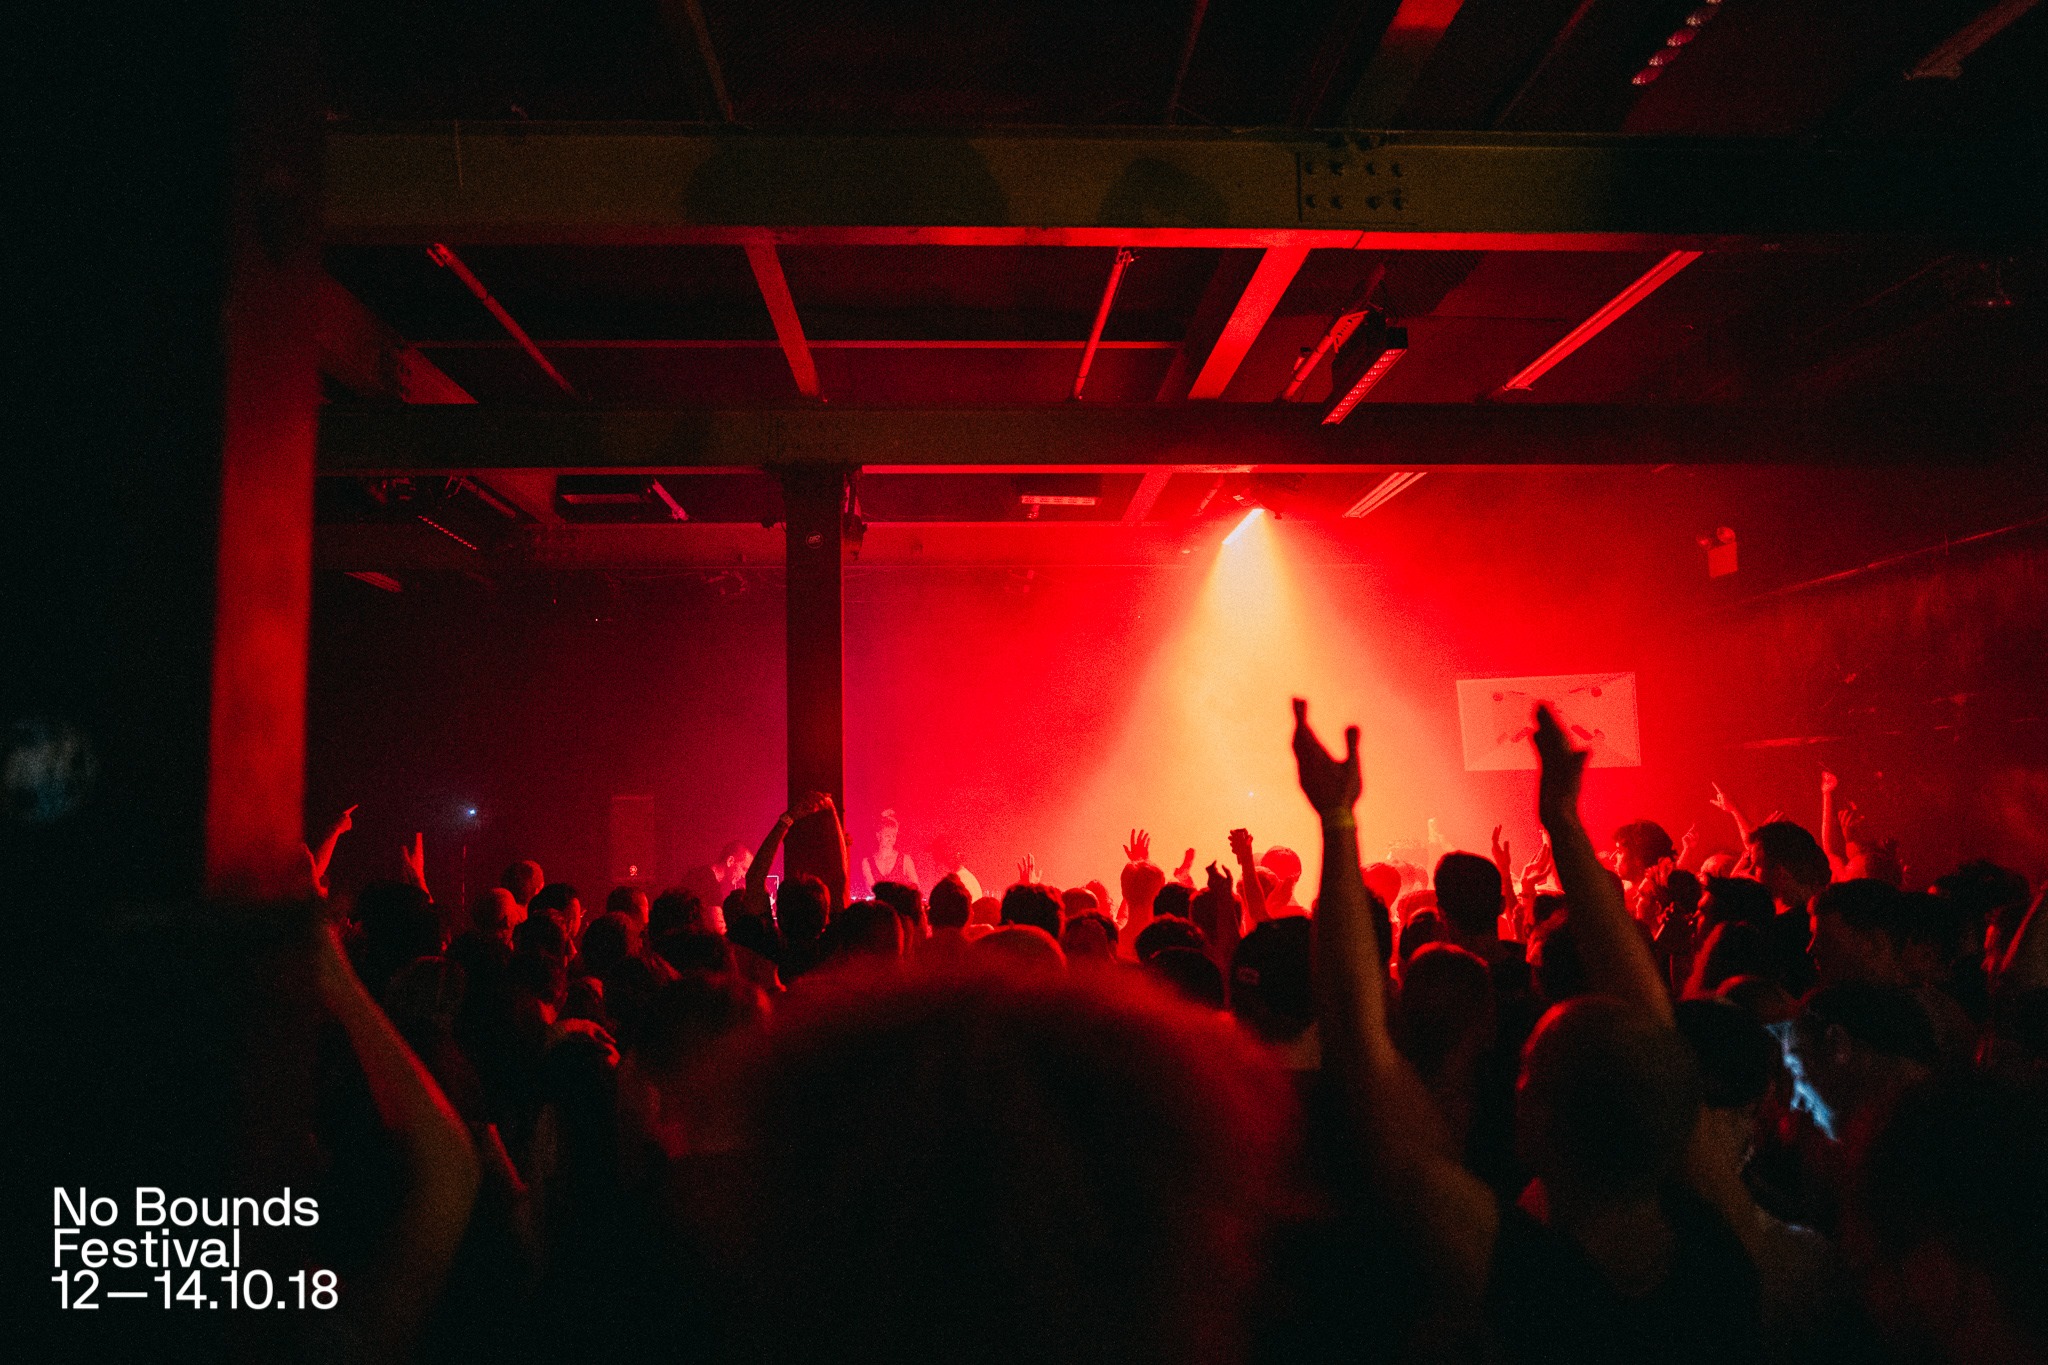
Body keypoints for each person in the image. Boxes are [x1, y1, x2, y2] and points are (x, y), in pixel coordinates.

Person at [1294, 696, 1761, 1363]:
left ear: (1536, 1120)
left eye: (1527, 1072)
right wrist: (1564, 823)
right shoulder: (1722, 1245)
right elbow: (1651, 1013)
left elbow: (1361, 1045)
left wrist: (1337, 819)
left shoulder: (1534, 1284)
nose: (1511, 1083)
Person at [859, 809, 918, 895]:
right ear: (878, 835)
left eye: (894, 835)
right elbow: (871, 890)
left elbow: (915, 886)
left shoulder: (905, 860)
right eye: (887, 835)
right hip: (879, 908)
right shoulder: (867, 862)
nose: (891, 838)